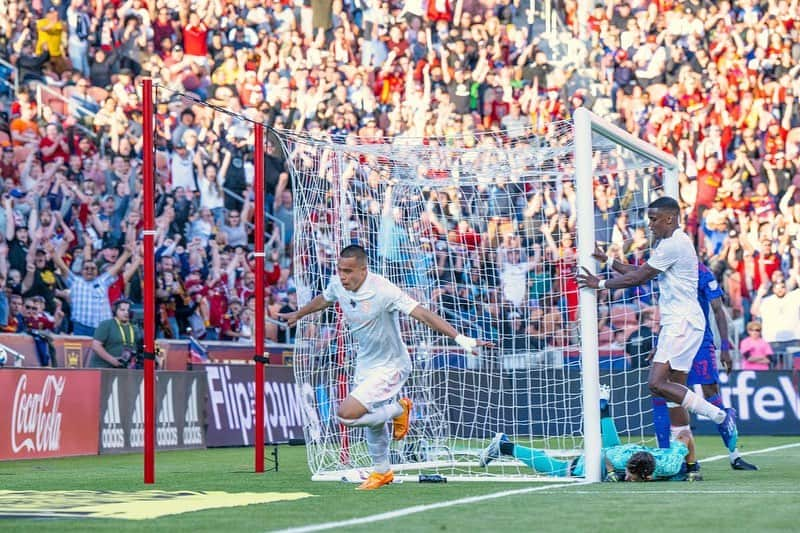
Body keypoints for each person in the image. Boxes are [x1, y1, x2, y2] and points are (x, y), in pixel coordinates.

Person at [279, 244, 490, 490]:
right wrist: (300, 313)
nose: (343, 276)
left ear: (363, 269)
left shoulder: (384, 290)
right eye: (339, 270)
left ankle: (398, 411)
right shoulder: (338, 284)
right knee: (373, 422)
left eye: (348, 271)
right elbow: (325, 299)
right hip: (365, 364)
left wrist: (460, 338)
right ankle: (382, 472)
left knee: (346, 416)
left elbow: (422, 314)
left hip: (392, 365)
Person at [576, 196, 738, 474]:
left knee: (656, 384)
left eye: (653, 219)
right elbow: (641, 272)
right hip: (680, 324)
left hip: (682, 324)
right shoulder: (673, 244)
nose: (649, 225)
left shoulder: (674, 244)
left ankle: (718, 415)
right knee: (674, 395)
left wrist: (599, 282)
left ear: (670, 218)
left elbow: (636, 278)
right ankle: (689, 463)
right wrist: (609, 260)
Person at [595, 246, 757, 471]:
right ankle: (670, 456)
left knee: (709, 393)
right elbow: (640, 273)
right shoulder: (668, 269)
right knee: (663, 391)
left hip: (700, 340)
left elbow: (718, 310)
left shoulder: (701, 273)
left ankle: (734, 455)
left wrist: (726, 346)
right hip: (675, 336)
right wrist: (609, 260)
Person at [479, 386, 700, 481]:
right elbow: (604, 453)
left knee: (614, 447)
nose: (629, 480)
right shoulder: (619, 462)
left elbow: (685, 437)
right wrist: (612, 471)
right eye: (629, 476)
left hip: (623, 451)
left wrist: (692, 468)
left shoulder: (670, 463)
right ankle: (504, 446)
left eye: (632, 478)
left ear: (648, 476)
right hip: (608, 456)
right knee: (558, 470)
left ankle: (604, 408)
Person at [89, 298, 142, 368]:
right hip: (104, 368)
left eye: (128, 310)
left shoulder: (135, 328)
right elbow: (96, 346)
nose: (126, 312)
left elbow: (146, 346)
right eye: (122, 310)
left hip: (126, 369)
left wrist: (157, 354)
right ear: (115, 311)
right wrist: (112, 360)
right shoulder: (106, 324)